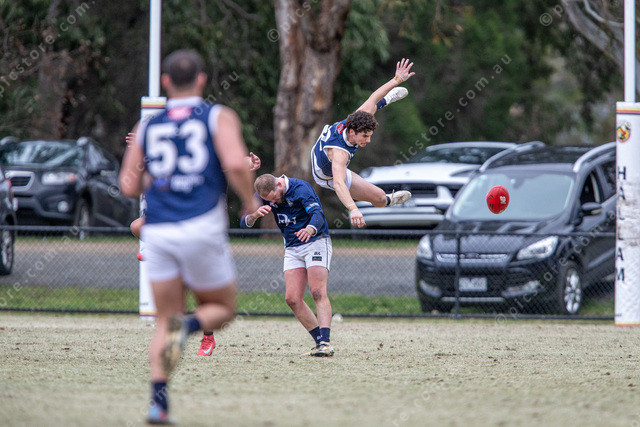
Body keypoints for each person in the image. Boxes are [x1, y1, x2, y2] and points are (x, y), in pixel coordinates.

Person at [119, 49, 259, 424]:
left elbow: (128, 185)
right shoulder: (217, 116)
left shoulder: (148, 125)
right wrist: (249, 200)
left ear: (165, 82)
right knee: (222, 309)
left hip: (159, 231)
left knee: (165, 321)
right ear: (201, 80)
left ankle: (158, 404)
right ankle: (191, 327)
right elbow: (234, 163)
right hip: (200, 227)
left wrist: (161, 179)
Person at [126, 137, 261, 358]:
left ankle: (206, 336)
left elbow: (230, 163)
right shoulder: (173, 158)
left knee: (205, 296)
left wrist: (248, 163)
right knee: (137, 226)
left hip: (201, 228)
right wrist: (141, 148)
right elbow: (134, 182)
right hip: (173, 222)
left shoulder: (204, 159)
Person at [311, 58, 416, 228]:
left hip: (326, 149)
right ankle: (389, 200)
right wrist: (353, 209)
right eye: (365, 136)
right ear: (352, 132)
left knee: (371, 106)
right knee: (380, 198)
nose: (368, 140)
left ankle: (387, 100)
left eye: (370, 135)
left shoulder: (353, 122)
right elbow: (338, 183)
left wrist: (397, 79)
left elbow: (373, 97)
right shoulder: (340, 154)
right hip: (326, 175)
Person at [240, 173, 334, 357]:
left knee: (317, 291)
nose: (274, 202)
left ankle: (325, 342)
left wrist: (309, 229)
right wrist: (254, 215)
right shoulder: (263, 195)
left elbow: (318, 215)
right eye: (269, 200)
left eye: (274, 197)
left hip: (315, 241)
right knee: (292, 299)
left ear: (279, 184)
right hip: (292, 247)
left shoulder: (301, 189)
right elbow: (244, 221)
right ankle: (319, 342)